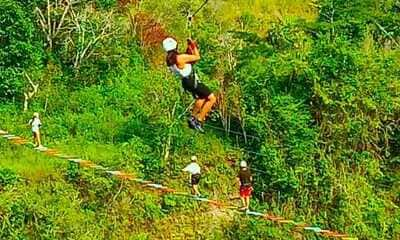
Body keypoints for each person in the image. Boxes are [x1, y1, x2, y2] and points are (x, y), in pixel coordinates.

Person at [163, 37, 217, 132]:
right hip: (192, 81)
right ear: (175, 46)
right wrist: (193, 45)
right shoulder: (179, 58)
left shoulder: (170, 61)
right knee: (212, 98)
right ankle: (199, 120)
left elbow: (189, 62)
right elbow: (197, 57)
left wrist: (189, 49)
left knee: (201, 97)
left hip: (186, 82)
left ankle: (193, 117)